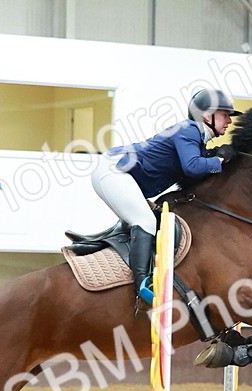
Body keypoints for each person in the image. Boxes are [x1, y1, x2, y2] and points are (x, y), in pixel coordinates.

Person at [92, 88, 240, 301]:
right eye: (225, 115)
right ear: (207, 116)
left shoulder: (195, 136)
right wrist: (219, 160)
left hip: (116, 170)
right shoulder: (189, 130)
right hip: (114, 170)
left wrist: (213, 156)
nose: (229, 121)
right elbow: (192, 167)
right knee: (145, 221)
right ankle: (142, 287)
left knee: (145, 219)